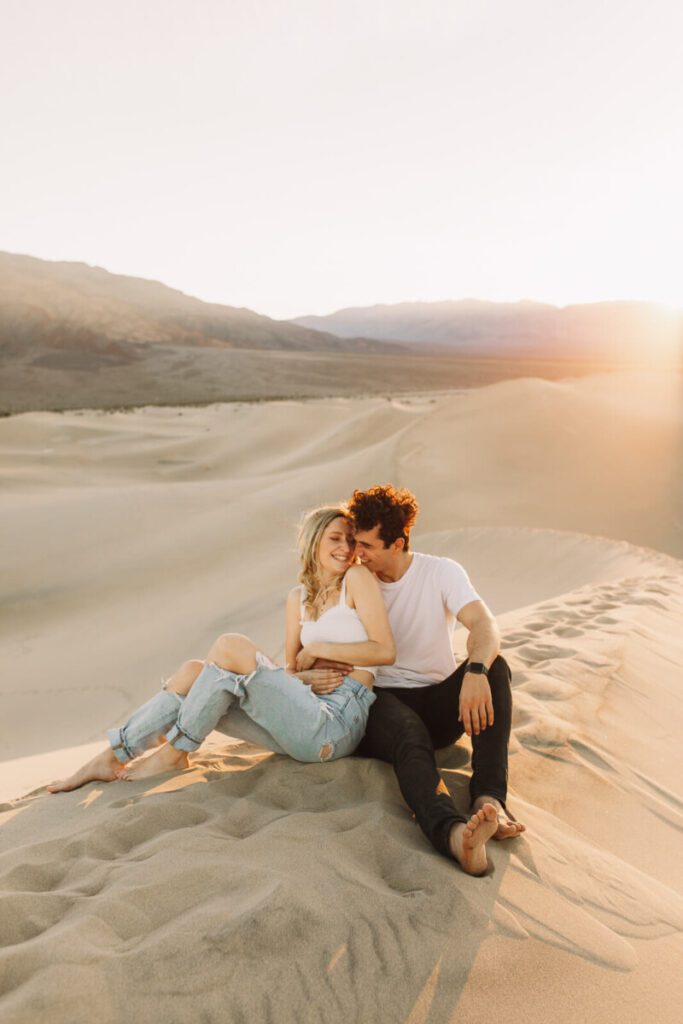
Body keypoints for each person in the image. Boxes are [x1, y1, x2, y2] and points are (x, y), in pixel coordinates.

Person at [48, 505, 395, 791]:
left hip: (334, 725)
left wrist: (320, 647)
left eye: (351, 540)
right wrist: (304, 678)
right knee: (194, 672)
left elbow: (383, 651)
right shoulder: (297, 598)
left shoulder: (356, 580)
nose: (347, 548)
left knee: (230, 647)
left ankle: (176, 751)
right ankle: (113, 755)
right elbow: (291, 672)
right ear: (313, 541)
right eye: (336, 538)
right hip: (298, 719)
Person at [316, 485, 525, 876]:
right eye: (355, 542)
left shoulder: (440, 571)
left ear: (397, 543)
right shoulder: (353, 580)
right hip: (378, 706)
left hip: (435, 704)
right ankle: (453, 834)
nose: (357, 553)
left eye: (367, 545)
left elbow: (484, 625)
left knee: (495, 667)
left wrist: (476, 671)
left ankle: (489, 798)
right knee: (407, 730)